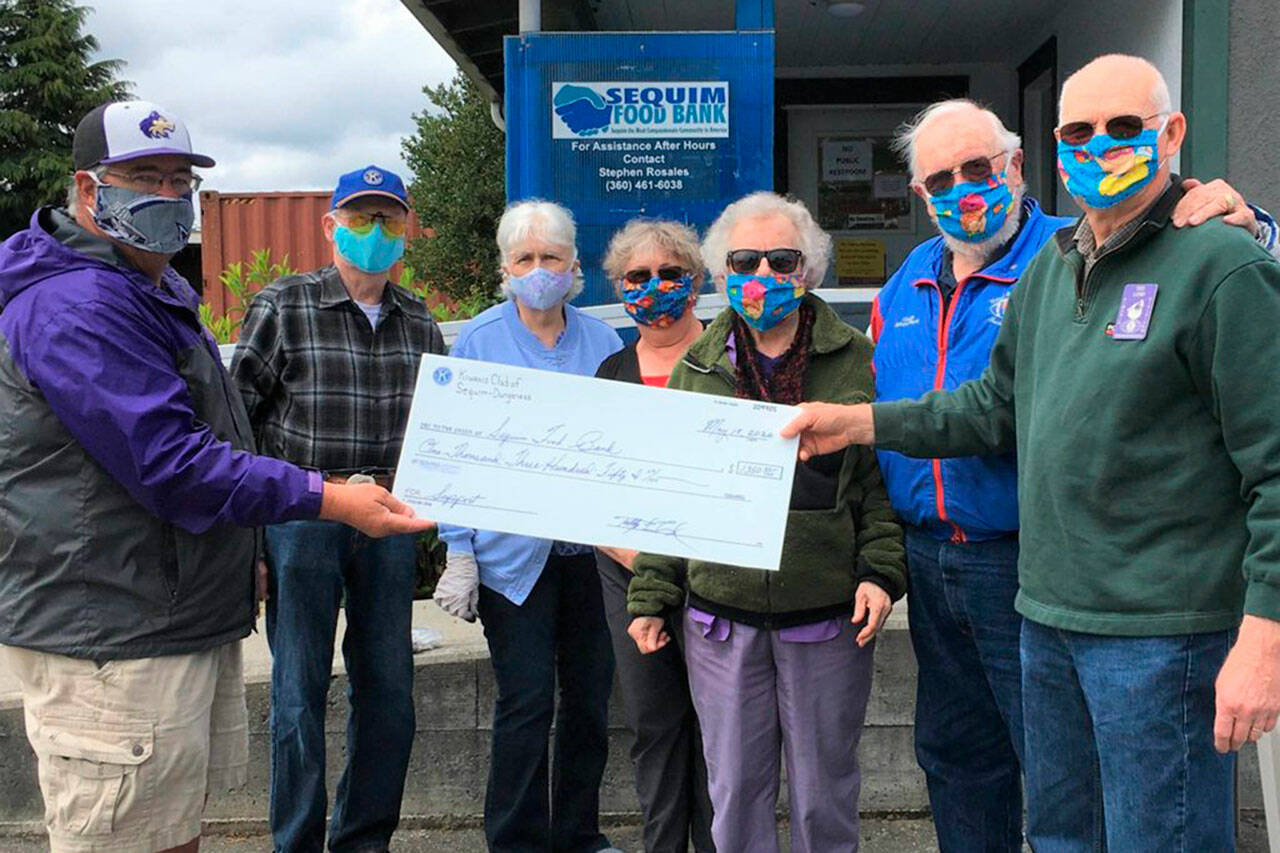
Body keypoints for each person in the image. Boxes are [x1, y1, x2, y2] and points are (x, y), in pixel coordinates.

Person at [782, 55, 1280, 852]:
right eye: (1079, 132)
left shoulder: (1220, 261)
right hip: (1043, 610)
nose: (1101, 147)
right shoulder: (1056, 269)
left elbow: (1275, 467)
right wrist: (856, 424)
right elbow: (991, 407)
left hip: (1159, 627)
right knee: (1059, 829)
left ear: (1173, 133)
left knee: (1160, 833)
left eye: (1125, 129)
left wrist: (1265, 638)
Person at [0, 100, 431, 853]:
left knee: (168, 824)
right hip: (114, 625)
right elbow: (175, 460)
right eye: (144, 177)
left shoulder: (151, 288)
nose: (168, 197)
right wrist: (320, 499)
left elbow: (212, 430)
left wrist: (239, 555)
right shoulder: (78, 305)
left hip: (168, 608)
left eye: (179, 179)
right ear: (88, 189)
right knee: (136, 823)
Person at [625, 191, 906, 853]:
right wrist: (651, 595)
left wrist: (881, 574)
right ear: (721, 272)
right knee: (736, 797)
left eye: (781, 259)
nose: (761, 274)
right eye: (744, 259)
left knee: (825, 795)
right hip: (722, 620)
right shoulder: (698, 367)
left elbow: (878, 484)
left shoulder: (857, 360)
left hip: (826, 619)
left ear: (808, 269)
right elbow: (676, 492)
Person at [231, 165, 446, 853]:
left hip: (387, 522)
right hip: (304, 518)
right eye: (360, 218)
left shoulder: (421, 320)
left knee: (389, 693)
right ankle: (295, 841)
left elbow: (444, 430)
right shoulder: (283, 304)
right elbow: (240, 421)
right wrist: (249, 540)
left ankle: (363, 839)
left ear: (406, 229)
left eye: (389, 219)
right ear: (331, 226)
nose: (375, 232)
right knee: (296, 693)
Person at [431, 200, 624, 853]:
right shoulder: (480, 341)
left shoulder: (604, 341)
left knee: (591, 701)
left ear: (575, 266)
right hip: (511, 559)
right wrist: (457, 551)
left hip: (594, 555)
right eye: (526, 259)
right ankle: (514, 838)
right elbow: (452, 453)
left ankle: (578, 832)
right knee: (526, 700)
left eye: (552, 258)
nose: (539, 270)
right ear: (505, 268)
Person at [593, 218, 715, 853]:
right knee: (655, 724)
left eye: (671, 274)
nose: (655, 286)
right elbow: (589, 492)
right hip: (629, 574)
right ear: (619, 287)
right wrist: (644, 561)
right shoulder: (608, 374)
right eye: (637, 277)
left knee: (724, 727)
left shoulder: (729, 359)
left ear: (696, 282)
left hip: (720, 574)